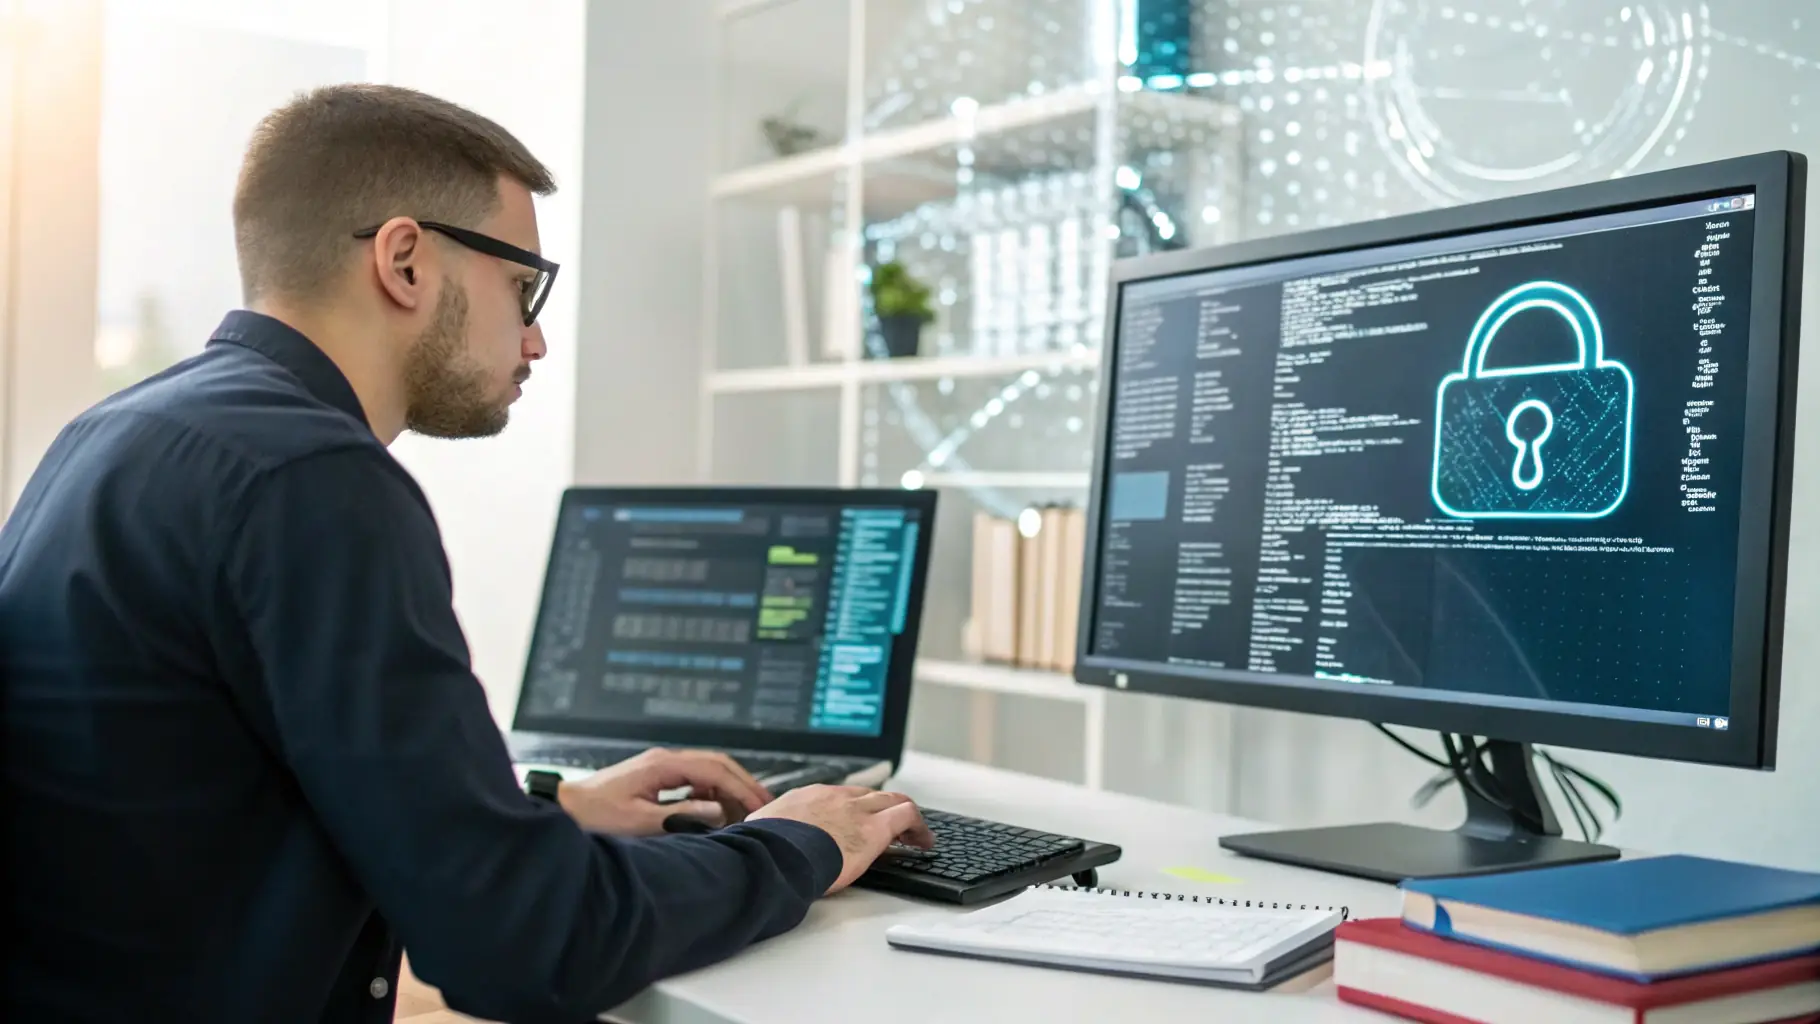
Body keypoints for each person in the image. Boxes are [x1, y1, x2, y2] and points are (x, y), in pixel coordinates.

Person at [0, 83, 931, 1023]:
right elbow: (522, 943)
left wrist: (546, 807)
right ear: (405, 260)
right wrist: (791, 845)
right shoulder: (315, 478)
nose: (533, 337)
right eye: (521, 285)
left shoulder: (120, 432)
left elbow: (210, 785)